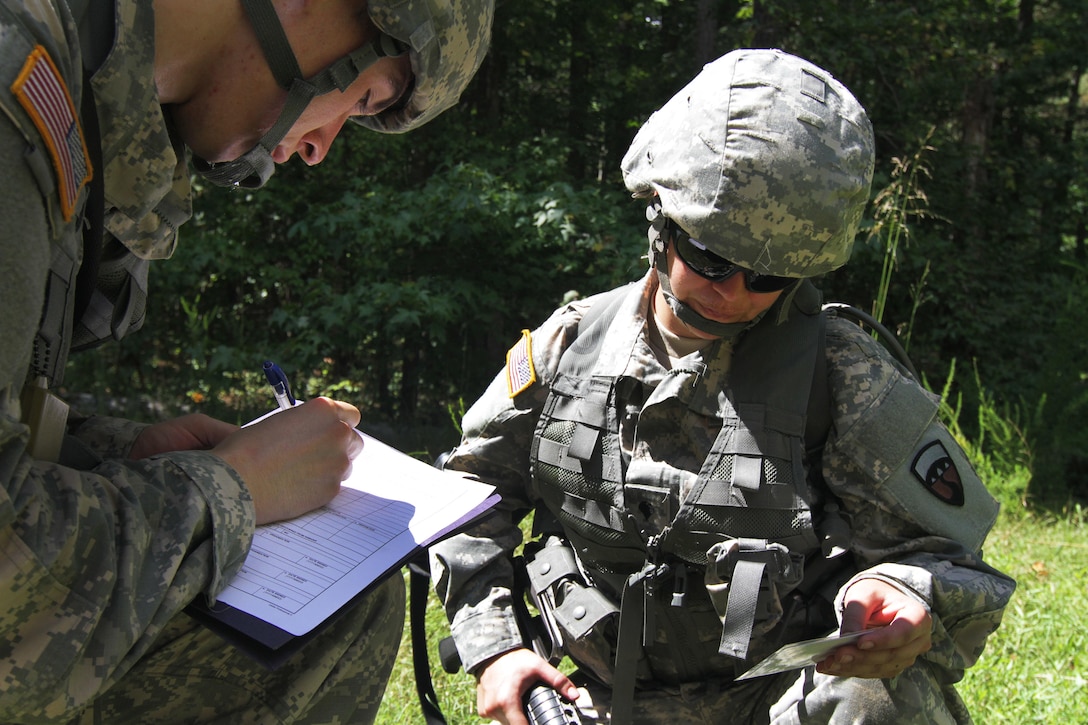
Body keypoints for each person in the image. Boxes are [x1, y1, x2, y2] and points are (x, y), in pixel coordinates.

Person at [429, 49, 1015, 725]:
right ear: (662, 220)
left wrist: (901, 590)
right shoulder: (569, 349)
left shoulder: (839, 376)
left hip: (781, 700)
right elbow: (465, 498)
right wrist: (497, 648)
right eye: (709, 255)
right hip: (596, 704)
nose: (733, 292)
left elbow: (951, 560)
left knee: (878, 699)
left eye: (768, 277)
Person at [1, 0, 493, 721]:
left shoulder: (72, 84)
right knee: (336, 625)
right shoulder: (15, 90)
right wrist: (227, 489)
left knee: (344, 609)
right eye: (365, 96)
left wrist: (115, 451)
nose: (321, 146)